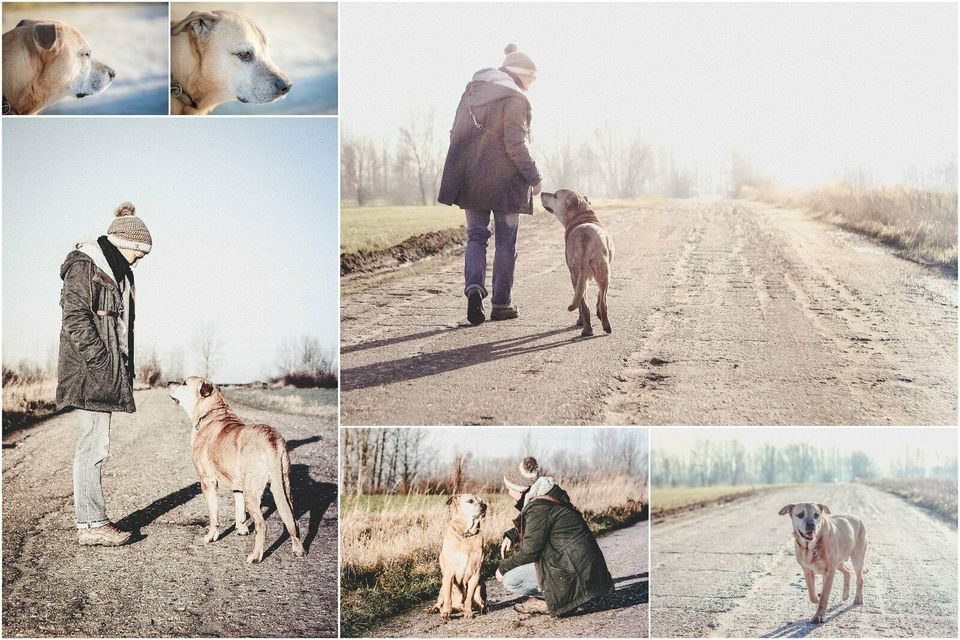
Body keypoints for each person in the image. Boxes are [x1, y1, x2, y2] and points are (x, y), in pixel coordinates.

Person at [57, 202, 152, 546]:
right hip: (89, 373)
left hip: (103, 372)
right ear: (124, 241)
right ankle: (92, 524)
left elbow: (121, 329)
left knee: (96, 444)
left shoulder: (117, 273)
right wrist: (102, 364)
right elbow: (75, 319)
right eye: (140, 252)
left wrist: (121, 368)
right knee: (92, 446)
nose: (141, 259)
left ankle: (91, 521)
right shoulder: (86, 266)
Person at [438, 43, 543, 325]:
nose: (532, 85)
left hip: (472, 180)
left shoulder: (472, 91)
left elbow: (454, 134)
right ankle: (501, 304)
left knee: (476, 237)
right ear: (521, 74)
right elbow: (515, 143)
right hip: (506, 184)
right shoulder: (515, 99)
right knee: (506, 242)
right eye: (532, 79)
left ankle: (474, 289)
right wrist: (534, 177)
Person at [496, 457, 614, 615]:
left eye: (508, 487)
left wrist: (502, 568)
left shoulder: (537, 508)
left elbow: (529, 552)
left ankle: (559, 601)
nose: (507, 491)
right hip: (585, 569)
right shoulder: (547, 494)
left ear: (518, 489)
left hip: (573, 569)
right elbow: (538, 525)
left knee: (511, 579)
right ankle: (577, 594)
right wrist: (512, 535)